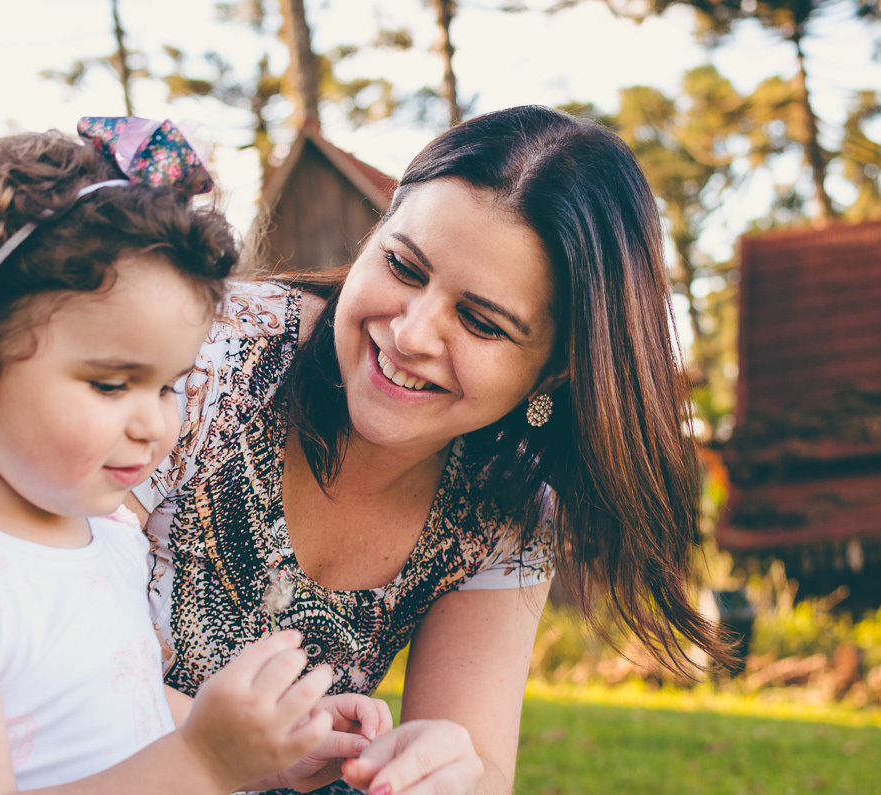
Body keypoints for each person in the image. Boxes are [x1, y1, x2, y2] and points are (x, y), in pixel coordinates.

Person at [127, 104, 730, 795]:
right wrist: (241, 755)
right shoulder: (201, 356)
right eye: (404, 267)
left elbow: (484, 768)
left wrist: (448, 771)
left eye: (479, 321)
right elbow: (37, 661)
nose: (412, 333)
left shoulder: (507, 511)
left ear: (557, 369)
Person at [0, 117, 390, 794]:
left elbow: (125, 711)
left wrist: (262, 747)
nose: (156, 424)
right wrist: (202, 762)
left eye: (170, 385)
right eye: (111, 383)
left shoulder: (101, 529)